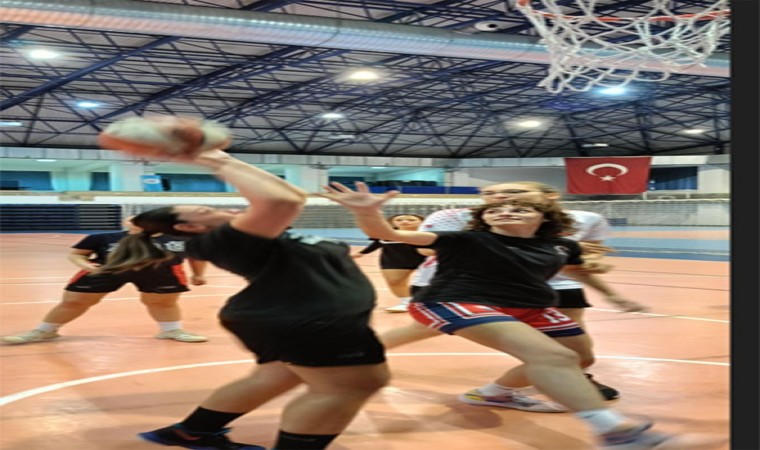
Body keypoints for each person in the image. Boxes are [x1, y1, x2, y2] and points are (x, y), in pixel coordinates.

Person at [320, 181, 690, 450]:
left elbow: (578, 271)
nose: (505, 210)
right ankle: (615, 432)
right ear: (485, 219)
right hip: (455, 300)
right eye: (494, 209)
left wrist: (615, 296)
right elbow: (387, 233)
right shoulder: (466, 239)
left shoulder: (562, 245)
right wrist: (367, 213)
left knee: (579, 358)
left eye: (519, 207)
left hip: (529, 305)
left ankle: (494, 394)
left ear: (543, 217)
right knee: (553, 356)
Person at [97, 145, 390, 450]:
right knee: (347, 387)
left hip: (292, 317)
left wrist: (365, 212)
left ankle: (193, 432)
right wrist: (212, 157)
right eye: (205, 211)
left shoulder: (256, 232)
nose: (221, 209)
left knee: (277, 377)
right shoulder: (222, 239)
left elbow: (289, 193)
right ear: (190, 227)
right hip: (307, 321)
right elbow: (284, 200)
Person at [380, 181, 647, 405]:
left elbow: (586, 257)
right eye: (490, 194)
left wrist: (595, 264)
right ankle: (361, 353)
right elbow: (426, 248)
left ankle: (565, 374)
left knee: (571, 342)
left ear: (548, 197)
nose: (499, 197)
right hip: (464, 284)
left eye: (513, 192)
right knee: (426, 329)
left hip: (549, 283)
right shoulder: (458, 217)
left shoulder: (584, 219)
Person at [1, 216, 209, 345]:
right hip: (107, 271)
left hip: (162, 273)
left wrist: (198, 274)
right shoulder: (103, 237)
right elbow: (77, 254)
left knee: (162, 303)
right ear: (126, 222)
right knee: (74, 302)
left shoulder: (181, 239)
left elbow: (197, 256)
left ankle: (171, 330)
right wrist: (86, 266)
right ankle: (45, 332)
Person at [352, 213, 427, 312]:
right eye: (399, 220)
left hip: (425, 261)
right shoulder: (386, 233)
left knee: (429, 282)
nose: (405, 222)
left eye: (411, 220)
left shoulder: (428, 233)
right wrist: (362, 253)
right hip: (394, 260)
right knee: (394, 281)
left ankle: (430, 301)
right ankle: (406, 302)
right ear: (392, 222)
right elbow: (377, 243)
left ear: (422, 222)